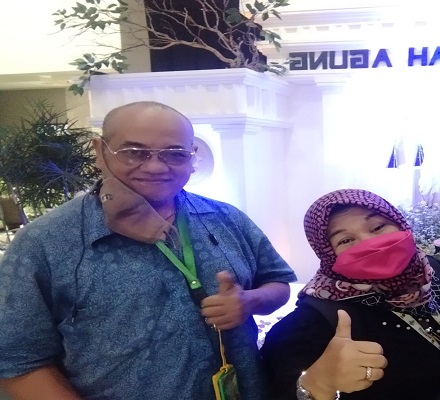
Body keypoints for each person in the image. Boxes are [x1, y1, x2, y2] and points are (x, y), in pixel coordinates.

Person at [0, 101, 297, 400]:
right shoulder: (46, 242)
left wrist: (250, 301)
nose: (156, 167)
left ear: (192, 156)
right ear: (100, 151)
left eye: (175, 154)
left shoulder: (226, 219)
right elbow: (18, 362)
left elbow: (278, 281)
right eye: (134, 152)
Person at [261, 189, 440, 400]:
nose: (371, 243)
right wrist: (317, 384)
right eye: (345, 240)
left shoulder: (431, 273)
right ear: (328, 254)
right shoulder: (316, 318)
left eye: (378, 227)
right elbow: (280, 386)